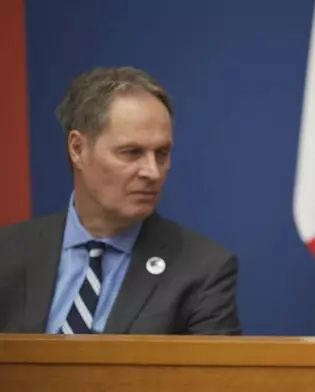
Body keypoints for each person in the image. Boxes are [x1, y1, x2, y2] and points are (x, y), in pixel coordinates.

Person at [0, 66, 242, 335]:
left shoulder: (203, 269)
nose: (152, 171)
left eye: (162, 153)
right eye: (131, 152)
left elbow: (210, 378)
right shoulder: (8, 254)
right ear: (77, 149)